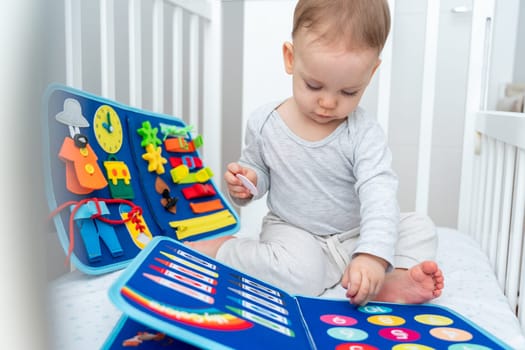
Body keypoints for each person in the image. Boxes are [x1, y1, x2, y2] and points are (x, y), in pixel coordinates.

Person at [188, 0, 444, 306]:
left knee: (419, 226)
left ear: (371, 72)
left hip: (354, 233)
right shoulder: (265, 122)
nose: (328, 103)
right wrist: (246, 182)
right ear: (291, 58)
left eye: (348, 92)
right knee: (301, 275)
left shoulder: (363, 133)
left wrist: (372, 255)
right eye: (314, 85)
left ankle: (384, 280)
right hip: (294, 232)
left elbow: (379, 196)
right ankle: (225, 250)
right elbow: (257, 172)